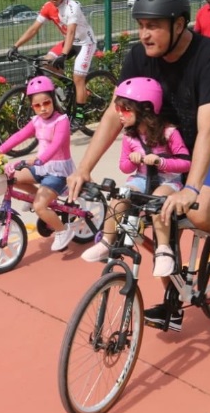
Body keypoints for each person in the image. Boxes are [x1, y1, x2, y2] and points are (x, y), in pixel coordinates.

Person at [67, 0, 210, 332]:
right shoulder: (138, 58)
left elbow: (209, 130)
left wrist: (191, 189)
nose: (144, 34)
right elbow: (113, 115)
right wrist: (83, 169)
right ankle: (173, 302)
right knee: (153, 213)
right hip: (167, 149)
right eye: (140, 25)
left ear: (179, 25)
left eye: (152, 26)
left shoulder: (208, 57)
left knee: (198, 211)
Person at [80, 77, 191, 277]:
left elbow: (185, 162)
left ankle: (164, 249)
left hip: (168, 181)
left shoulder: (169, 132)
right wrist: (133, 160)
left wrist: (160, 161)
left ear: (145, 109)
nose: (120, 115)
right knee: (120, 196)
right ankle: (106, 241)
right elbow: (124, 167)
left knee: (158, 201)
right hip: (140, 179)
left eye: (125, 110)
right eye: (118, 110)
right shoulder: (130, 137)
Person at [0, 76, 77, 251]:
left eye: (46, 103)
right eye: (37, 106)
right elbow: (19, 136)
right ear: (32, 106)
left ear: (53, 99)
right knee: (12, 177)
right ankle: (35, 198)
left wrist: (40, 159)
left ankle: (63, 231)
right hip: (40, 166)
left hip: (57, 171)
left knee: (40, 206)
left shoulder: (61, 121)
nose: (42, 109)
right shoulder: (37, 121)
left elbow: (56, 145)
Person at [8, 0, 97, 130]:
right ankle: (69, 85)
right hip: (69, 42)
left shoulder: (72, 7)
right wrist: (15, 46)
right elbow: (34, 28)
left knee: (78, 78)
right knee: (45, 62)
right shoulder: (48, 7)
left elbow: (70, 33)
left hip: (85, 43)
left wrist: (63, 55)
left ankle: (80, 116)